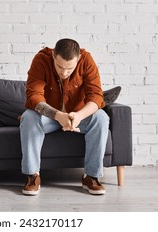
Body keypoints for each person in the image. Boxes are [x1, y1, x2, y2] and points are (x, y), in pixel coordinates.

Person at [20, 38, 109, 196]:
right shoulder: (41, 59)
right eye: (60, 67)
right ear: (54, 55)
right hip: (49, 118)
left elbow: (96, 97)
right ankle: (32, 175)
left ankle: (91, 176)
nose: (64, 72)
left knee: (101, 118)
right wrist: (57, 115)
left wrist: (79, 116)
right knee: (28, 117)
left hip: (77, 116)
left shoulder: (87, 59)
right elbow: (33, 97)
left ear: (79, 59)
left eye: (70, 69)